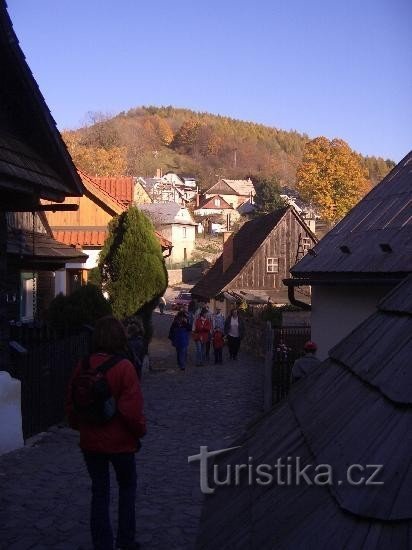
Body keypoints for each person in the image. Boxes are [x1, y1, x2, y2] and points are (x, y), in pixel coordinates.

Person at [66, 316, 146, 550]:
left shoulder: (83, 365)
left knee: (99, 492)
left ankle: (102, 544)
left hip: (91, 442)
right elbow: (132, 410)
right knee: (127, 488)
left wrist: (80, 427)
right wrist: (139, 432)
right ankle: (125, 539)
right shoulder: (124, 367)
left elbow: (71, 404)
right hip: (121, 442)